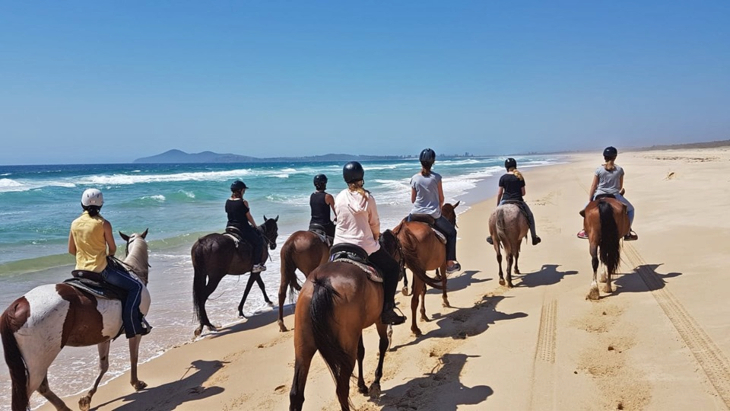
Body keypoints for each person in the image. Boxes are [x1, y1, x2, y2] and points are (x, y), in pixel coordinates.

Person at [68, 188, 151, 338]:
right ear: (101, 205)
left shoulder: (74, 224)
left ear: (82, 204)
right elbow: (112, 248)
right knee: (136, 287)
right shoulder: (104, 223)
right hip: (101, 270)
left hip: (79, 270)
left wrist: (85, 256)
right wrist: (107, 256)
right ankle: (131, 325)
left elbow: (71, 250)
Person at [333, 161, 406, 325]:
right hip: (363, 246)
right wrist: (375, 237)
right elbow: (375, 224)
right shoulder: (368, 198)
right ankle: (388, 309)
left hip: (338, 245)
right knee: (392, 268)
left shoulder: (339, 197)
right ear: (362, 177)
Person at [409, 148, 461, 273]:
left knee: (400, 231)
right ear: (433, 162)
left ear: (420, 162)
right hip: (432, 215)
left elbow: (412, 199)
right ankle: (449, 264)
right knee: (452, 232)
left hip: (415, 214)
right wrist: (437, 206)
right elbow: (441, 199)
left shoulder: (414, 178)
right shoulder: (436, 178)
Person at [577, 146, 637, 241]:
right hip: (615, 195)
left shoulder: (599, 170)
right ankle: (628, 232)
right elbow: (620, 186)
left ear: (604, 157)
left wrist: (590, 199)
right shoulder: (620, 170)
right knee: (631, 210)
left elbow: (593, 186)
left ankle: (585, 230)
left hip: (598, 195)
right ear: (615, 157)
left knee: (585, 210)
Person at [487, 158, 542, 246]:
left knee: (494, 218)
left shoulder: (503, 178)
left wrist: (498, 205)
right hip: (518, 201)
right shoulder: (519, 177)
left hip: (505, 201)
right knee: (530, 216)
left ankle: (492, 236)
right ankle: (534, 237)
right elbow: (523, 193)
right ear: (515, 166)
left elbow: (499, 193)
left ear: (506, 167)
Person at [226, 180, 266, 273]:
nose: (244, 192)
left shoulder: (227, 201)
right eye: (244, 190)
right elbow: (248, 217)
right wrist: (255, 226)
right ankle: (256, 265)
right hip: (242, 228)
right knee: (259, 241)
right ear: (240, 190)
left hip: (229, 227)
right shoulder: (243, 202)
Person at [309, 174, 336, 239]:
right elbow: (337, 212)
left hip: (312, 225)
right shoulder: (328, 196)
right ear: (324, 183)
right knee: (339, 237)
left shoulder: (312, 195)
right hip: (325, 225)